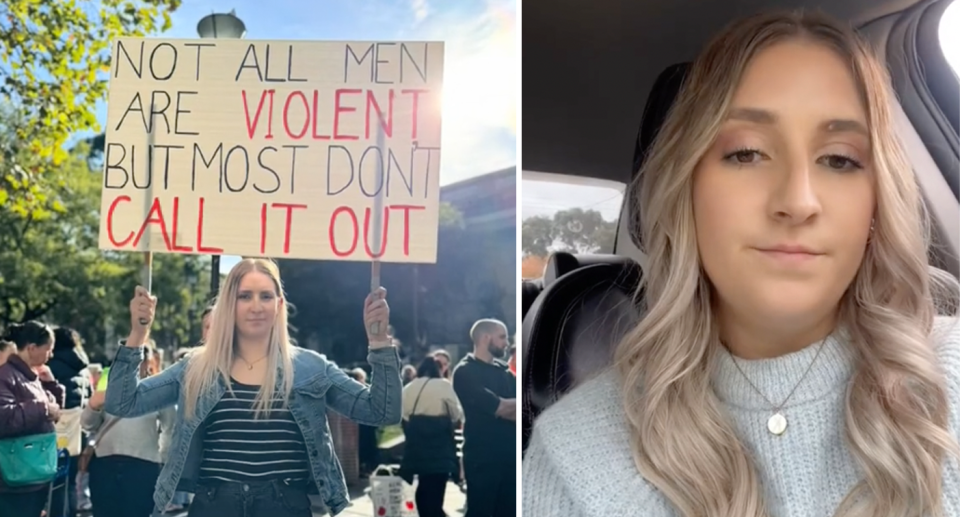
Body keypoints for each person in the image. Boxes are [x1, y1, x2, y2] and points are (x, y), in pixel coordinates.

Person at [522, 9, 960, 517]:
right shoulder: (575, 458)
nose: (798, 201)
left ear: (876, 201)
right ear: (689, 188)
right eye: (747, 153)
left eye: (840, 158)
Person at [103, 258, 402, 517]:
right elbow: (122, 403)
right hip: (214, 506)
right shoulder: (196, 366)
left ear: (279, 304)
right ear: (229, 304)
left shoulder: (311, 367)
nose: (256, 306)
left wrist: (379, 343)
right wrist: (137, 335)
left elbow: (382, 411)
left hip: (284, 506)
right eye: (245, 296)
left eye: (266, 296)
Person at [82, 342, 174, 517]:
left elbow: (170, 429)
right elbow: (87, 424)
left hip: (143, 468)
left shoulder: (159, 390)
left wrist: (161, 460)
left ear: (148, 362)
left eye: (140, 360)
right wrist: (94, 404)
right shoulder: (107, 386)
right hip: (105, 465)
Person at [452, 319, 515, 517]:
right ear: (486, 338)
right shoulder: (465, 372)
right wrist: (507, 406)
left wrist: (507, 406)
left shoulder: (505, 371)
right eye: (502, 337)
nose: (507, 343)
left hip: (510, 458)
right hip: (483, 459)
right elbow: (499, 407)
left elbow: (522, 407)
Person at [0, 322, 64, 517]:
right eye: (48, 350)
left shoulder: (31, 376)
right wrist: (43, 408)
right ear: (32, 348)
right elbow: (5, 418)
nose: (50, 355)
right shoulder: (6, 376)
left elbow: (55, 410)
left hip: (33, 474)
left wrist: (52, 385)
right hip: (15, 480)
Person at [400, 356, 462, 517]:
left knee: (422, 485)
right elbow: (456, 414)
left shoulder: (409, 387)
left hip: (417, 447)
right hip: (440, 446)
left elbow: (404, 415)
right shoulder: (444, 386)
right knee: (436, 487)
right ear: (437, 369)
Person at [47, 326, 92, 517]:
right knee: (71, 483)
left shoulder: (48, 367)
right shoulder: (82, 370)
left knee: (49, 487)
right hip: (75, 436)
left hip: (49, 435)